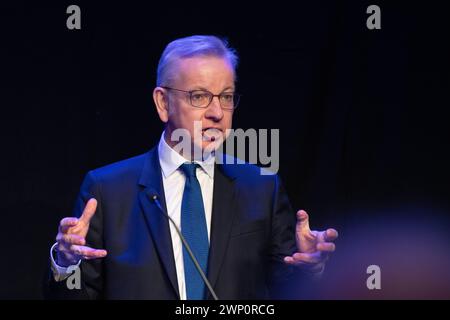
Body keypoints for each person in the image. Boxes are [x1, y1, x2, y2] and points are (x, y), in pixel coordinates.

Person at [45, 35, 338, 300]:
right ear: (163, 103)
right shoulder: (107, 190)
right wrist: (66, 263)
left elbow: (285, 290)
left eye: (226, 97)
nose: (216, 113)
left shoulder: (261, 187)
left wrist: (308, 268)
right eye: (199, 96)